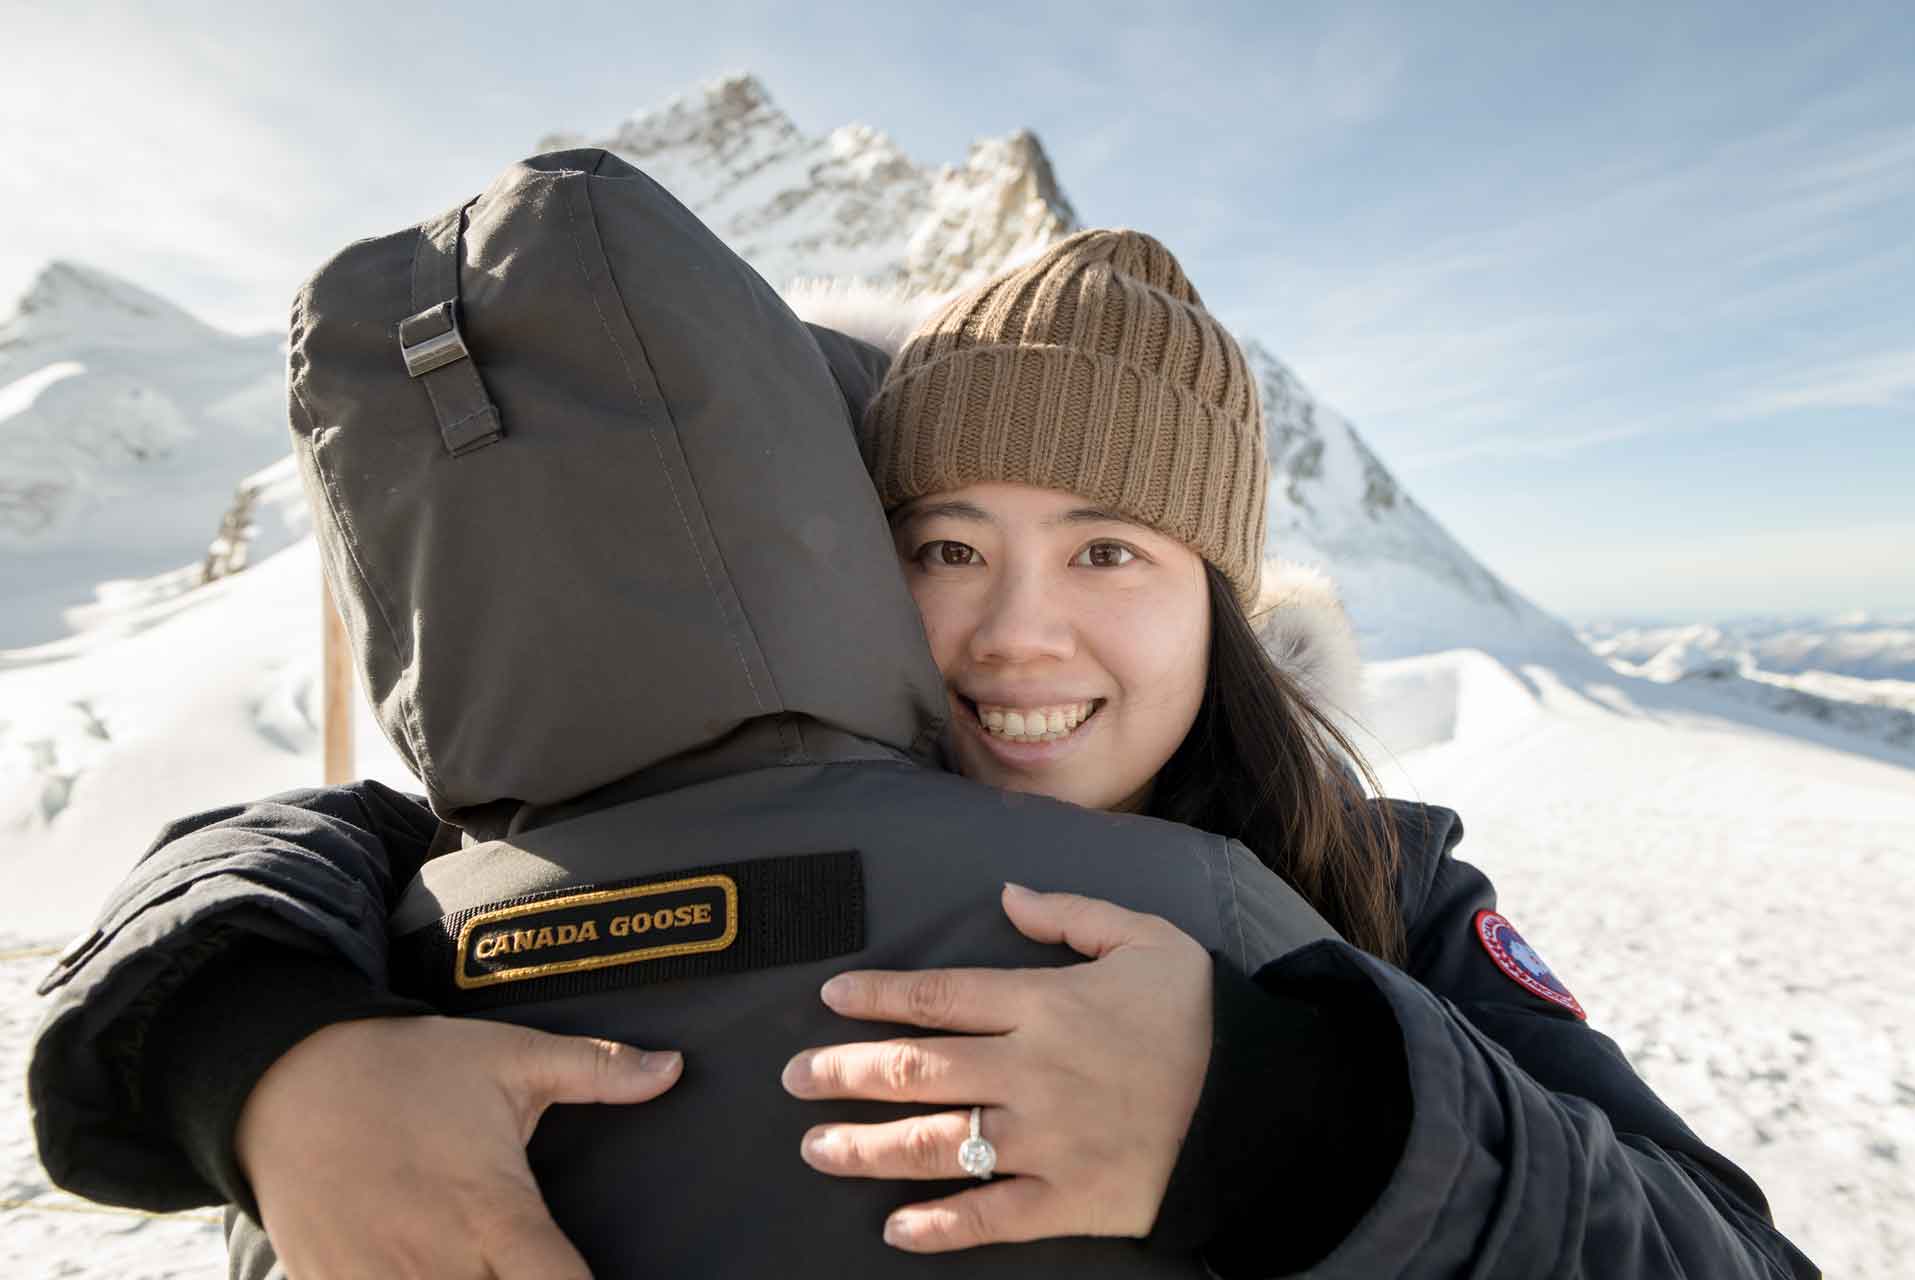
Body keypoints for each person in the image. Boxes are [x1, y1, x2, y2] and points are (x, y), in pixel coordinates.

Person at [28, 152, 1817, 1279]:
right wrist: (264, 1053)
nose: (1018, 634)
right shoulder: (570, 839)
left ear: (1223, 602)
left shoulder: (1384, 890)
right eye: (949, 545)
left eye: (1111, 549)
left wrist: (1300, 1120)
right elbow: (268, 863)